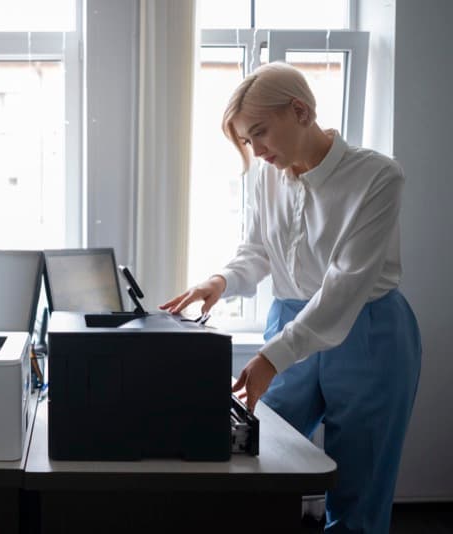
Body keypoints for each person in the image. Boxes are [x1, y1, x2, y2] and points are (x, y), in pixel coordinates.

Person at [160, 62, 421, 533]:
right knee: (253, 454)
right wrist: (220, 282)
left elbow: (343, 287)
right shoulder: (266, 175)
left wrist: (272, 356)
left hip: (369, 331)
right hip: (289, 321)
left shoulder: (379, 177)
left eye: (260, 133)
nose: (257, 151)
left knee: (358, 488)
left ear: (300, 111)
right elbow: (258, 250)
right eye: (247, 141)